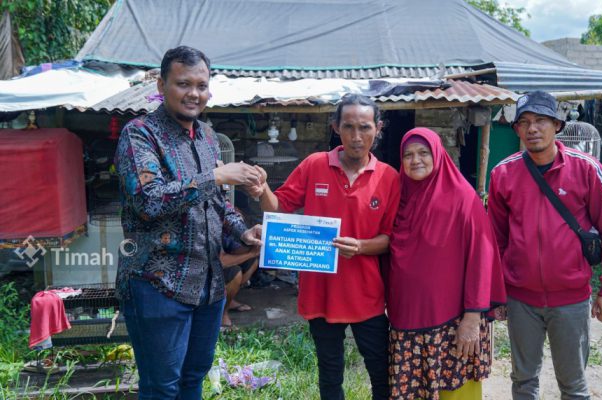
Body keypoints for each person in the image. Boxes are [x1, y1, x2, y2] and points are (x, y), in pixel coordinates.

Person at [114, 46, 263, 400]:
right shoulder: (140, 134)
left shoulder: (207, 136)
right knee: (162, 387)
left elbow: (216, 204)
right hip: (158, 285)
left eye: (201, 85)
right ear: (161, 84)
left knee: (193, 378)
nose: (194, 94)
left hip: (207, 286)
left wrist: (243, 231)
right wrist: (215, 175)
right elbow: (149, 201)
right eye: (183, 84)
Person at [249, 94, 400, 400]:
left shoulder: (389, 177)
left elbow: (390, 238)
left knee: (380, 370)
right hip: (320, 291)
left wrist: (360, 246)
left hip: (367, 294)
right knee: (330, 373)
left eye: (365, 127)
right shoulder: (315, 165)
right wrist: (262, 188)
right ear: (336, 127)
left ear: (378, 128)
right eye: (348, 127)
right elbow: (280, 208)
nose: (357, 137)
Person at [487, 91, 602, 400]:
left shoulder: (587, 169)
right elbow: (495, 240)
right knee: (523, 381)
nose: (532, 129)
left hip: (571, 299)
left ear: (557, 125)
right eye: (524, 122)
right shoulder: (503, 174)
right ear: (517, 130)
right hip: (521, 299)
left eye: (540, 121)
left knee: (573, 385)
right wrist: (495, 294)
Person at [387, 128, 506, 400]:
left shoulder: (462, 198)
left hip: (453, 322)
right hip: (406, 320)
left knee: (456, 393)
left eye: (423, 153)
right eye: (407, 155)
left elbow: (481, 257)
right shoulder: (399, 196)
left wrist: (473, 317)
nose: (415, 160)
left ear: (438, 154)